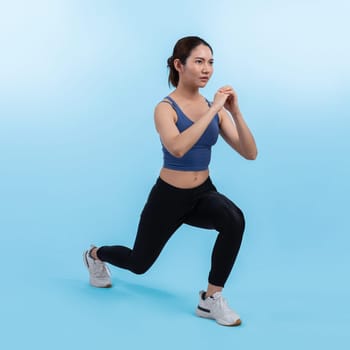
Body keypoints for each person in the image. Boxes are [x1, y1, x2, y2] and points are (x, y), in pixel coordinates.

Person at [83, 36, 257, 327]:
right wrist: (214, 109)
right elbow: (177, 147)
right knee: (139, 264)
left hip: (202, 194)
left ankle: (210, 299)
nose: (207, 69)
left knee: (234, 219)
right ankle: (95, 254)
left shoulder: (213, 107)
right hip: (169, 197)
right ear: (179, 65)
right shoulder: (165, 108)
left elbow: (250, 153)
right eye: (199, 62)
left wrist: (235, 112)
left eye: (211, 62)